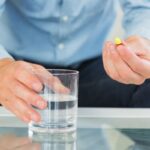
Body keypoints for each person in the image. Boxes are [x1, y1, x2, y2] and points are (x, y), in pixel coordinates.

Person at [0, 0, 150, 122]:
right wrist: (2, 66)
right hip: (18, 71)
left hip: (95, 72)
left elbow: (142, 7)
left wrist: (139, 45)